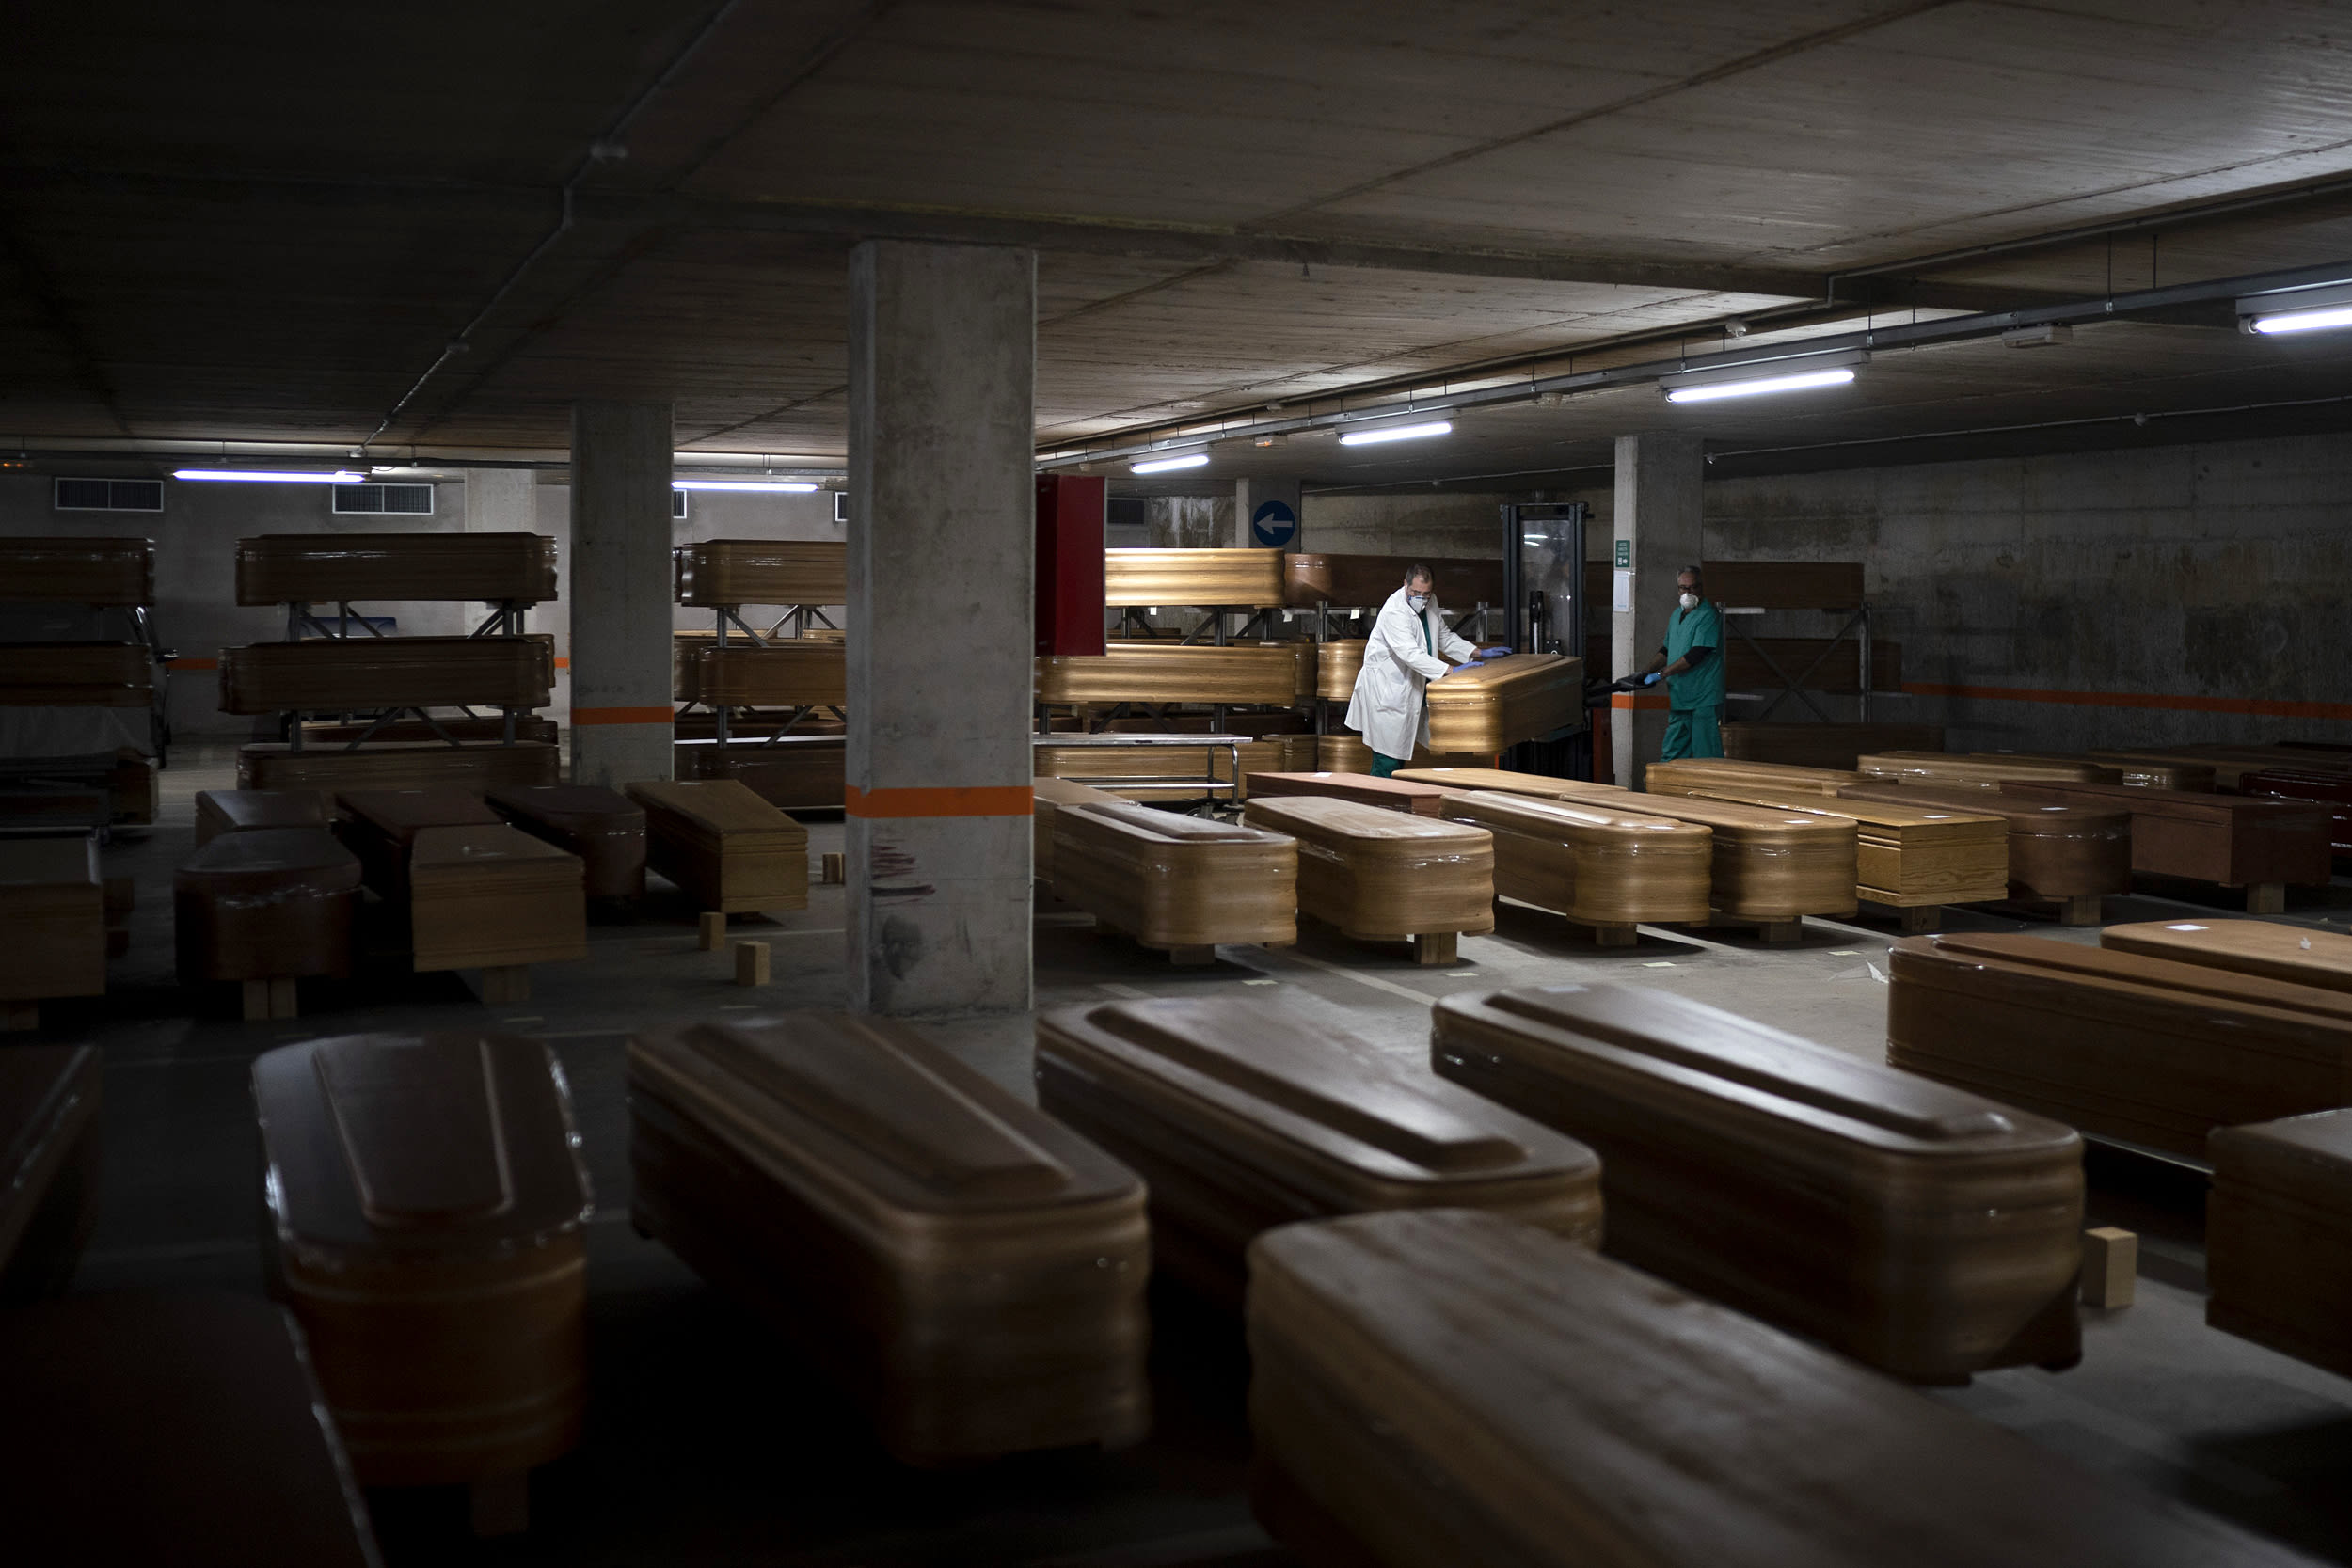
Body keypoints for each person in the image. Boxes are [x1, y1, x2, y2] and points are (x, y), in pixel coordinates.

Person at [1344, 563, 1507, 777]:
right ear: (1405, 585)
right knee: (1387, 756)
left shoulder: (1430, 602)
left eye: (1426, 594)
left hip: (1411, 685)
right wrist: (1451, 670)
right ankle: (1379, 802)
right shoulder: (1395, 611)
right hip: (1388, 690)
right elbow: (1410, 654)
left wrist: (1478, 652)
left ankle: (1392, 800)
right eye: (1416, 593)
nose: (1421, 598)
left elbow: (1443, 636)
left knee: (1400, 751)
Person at [1630, 564, 1724, 760]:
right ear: (1678, 589)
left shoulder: (1708, 615)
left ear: (1701, 588)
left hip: (1702, 697)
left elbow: (1697, 654)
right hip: (1680, 695)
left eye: (1693, 588)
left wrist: (1661, 674)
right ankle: (1664, 789)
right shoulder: (1676, 615)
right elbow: (1666, 649)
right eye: (1683, 588)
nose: (1688, 592)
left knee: (1705, 753)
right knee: (1673, 751)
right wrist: (1646, 671)